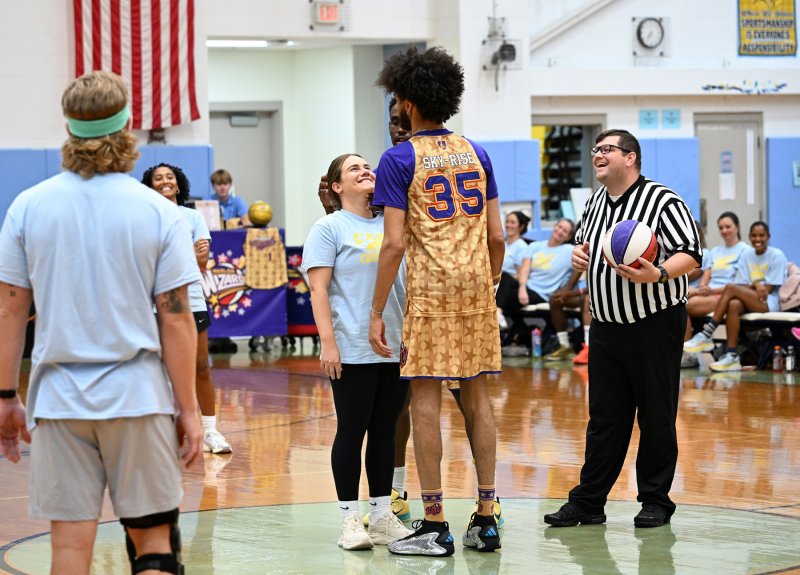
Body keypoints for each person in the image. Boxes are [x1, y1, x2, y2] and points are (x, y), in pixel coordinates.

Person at [0, 71, 202, 574]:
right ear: (128, 125)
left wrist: (5, 396)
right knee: (154, 547)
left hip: (60, 401)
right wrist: (190, 410)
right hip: (137, 398)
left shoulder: (29, 206)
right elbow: (176, 319)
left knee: (69, 550)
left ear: (68, 128)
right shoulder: (160, 211)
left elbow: (8, 309)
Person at [368, 46, 505, 556]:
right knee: (477, 399)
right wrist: (488, 285)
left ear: (405, 100)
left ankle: (434, 526)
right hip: (475, 289)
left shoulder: (398, 158)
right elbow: (497, 237)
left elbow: (394, 243)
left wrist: (378, 309)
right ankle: (487, 518)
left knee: (424, 403)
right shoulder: (478, 153)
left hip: (429, 294)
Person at [543, 129, 701, 529]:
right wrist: (579, 255)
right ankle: (589, 502)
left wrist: (660, 272)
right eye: (595, 149)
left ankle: (655, 501)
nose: (597, 154)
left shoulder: (663, 199)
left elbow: (691, 254)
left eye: (606, 149)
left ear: (630, 157)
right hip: (607, 326)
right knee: (604, 419)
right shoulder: (595, 203)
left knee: (655, 415)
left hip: (655, 321)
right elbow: (585, 246)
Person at [303, 153, 412, 550]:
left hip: (395, 345)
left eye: (368, 166)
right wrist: (328, 342)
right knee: (352, 430)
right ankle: (350, 520)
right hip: (351, 346)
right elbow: (318, 290)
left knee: (385, 432)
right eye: (354, 169)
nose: (366, 171)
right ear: (337, 187)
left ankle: (382, 515)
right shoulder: (329, 227)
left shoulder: (394, 223)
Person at [142, 162, 233, 454]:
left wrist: (169, 260)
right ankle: (159, 432)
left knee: (200, 366)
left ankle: (209, 431)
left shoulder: (193, 217)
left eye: (170, 177)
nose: (165, 181)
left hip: (192, 302)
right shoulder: (143, 219)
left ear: (178, 185)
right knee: (155, 370)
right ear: (150, 186)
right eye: (158, 178)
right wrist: (183, 256)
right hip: (153, 304)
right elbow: (145, 266)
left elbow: (201, 264)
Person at [684, 221, 787, 372]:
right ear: (749, 237)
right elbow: (742, 284)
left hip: (768, 302)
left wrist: (757, 285)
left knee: (731, 288)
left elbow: (767, 291)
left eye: (761, 235)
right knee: (733, 305)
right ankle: (732, 356)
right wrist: (756, 285)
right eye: (754, 235)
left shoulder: (776, 255)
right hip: (748, 298)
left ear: (768, 237)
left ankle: (707, 333)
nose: (758, 239)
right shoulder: (747, 255)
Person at [681, 212, 747, 368]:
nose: (724, 231)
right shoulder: (715, 251)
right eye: (721, 228)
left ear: (736, 227)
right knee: (680, 303)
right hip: (712, 293)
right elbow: (708, 273)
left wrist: (712, 291)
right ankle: (687, 349)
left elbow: (739, 283)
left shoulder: (744, 251)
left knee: (685, 306)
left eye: (728, 227)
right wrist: (703, 287)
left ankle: (691, 353)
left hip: (727, 295)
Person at [514, 218, 576, 354]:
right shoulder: (535, 246)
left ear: (568, 237)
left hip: (542, 294)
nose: (560, 231)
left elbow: (583, 262)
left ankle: (498, 313)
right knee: (504, 279)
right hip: (525, 289)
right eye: (559, 227)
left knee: (503, 290)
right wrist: (522, 288)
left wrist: (567, 288)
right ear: (554, 226)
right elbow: (524, 270)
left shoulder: (569, 250)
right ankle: (499, 312)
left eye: (565, 231)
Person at [542, 270, 592, 365]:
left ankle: (589, 347)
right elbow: (569, 287)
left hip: (606, 297)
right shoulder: (584, 257)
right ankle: (565, 346)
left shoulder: (604, 257)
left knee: (587, 299)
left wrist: (570, 294)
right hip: (586, 295)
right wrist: (561, 294)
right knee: (555, 300)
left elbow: (595, 288)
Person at [495, 210, 531, 331]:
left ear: (521, 227)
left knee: (504, 276)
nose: (509, 225)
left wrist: (501, 280)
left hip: (511, 284)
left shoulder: (521, 246)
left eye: (513, 222)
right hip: (498, 284)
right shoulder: (503, 243)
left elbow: (521, 273)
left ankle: (498, 312)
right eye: (507, 222)